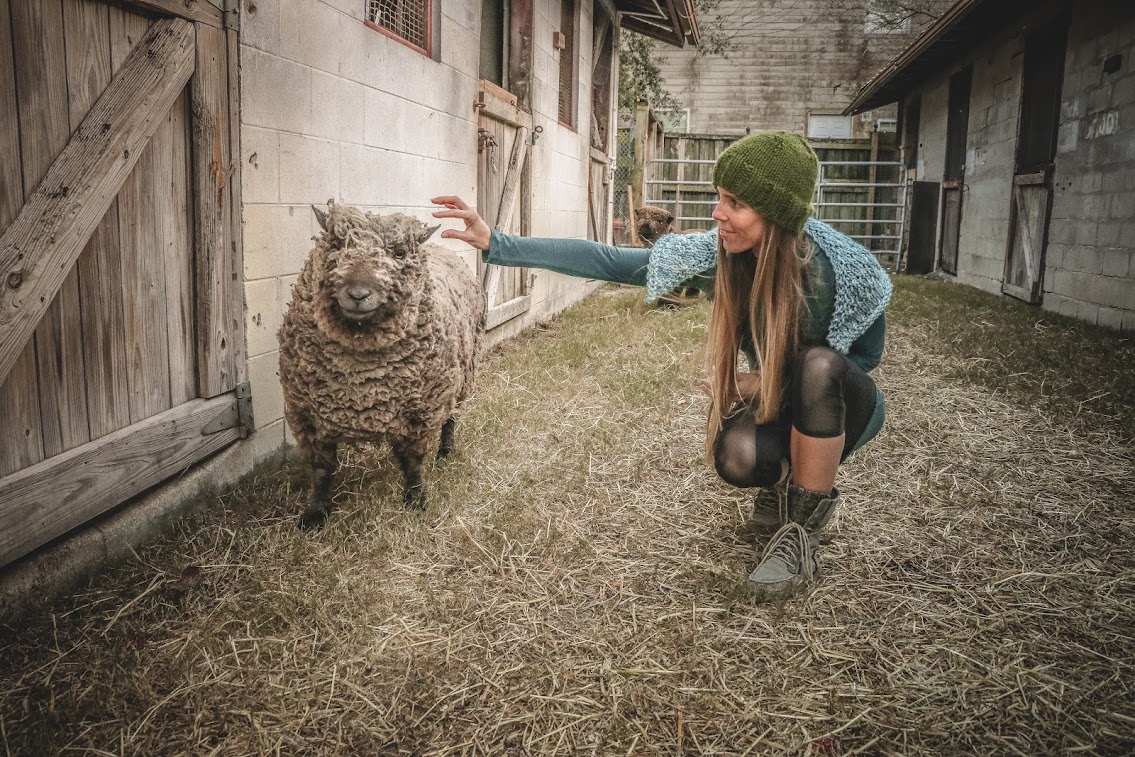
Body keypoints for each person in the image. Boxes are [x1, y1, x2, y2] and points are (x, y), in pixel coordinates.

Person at [431, 131, 891, 601]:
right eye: (719, 198)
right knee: (736, 455)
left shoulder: (841, 268)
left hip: (843, 409)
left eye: (735, 203)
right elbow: (607, 260)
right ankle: (784, 484)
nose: (717, 213)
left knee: (818, 365)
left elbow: (864, 358)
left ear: (775, 212)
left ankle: (801, 535)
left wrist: (767, 382)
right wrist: (497, 242)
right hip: (783, 403)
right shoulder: (720, 257)